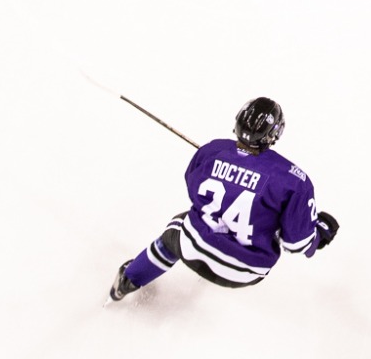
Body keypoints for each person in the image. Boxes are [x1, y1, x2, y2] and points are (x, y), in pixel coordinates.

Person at [109, 97, 338, 300]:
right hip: (247, 270)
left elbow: (194, 190)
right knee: (266, 223)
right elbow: (297, 243)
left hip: (193, 250)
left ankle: (127, 281)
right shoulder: (293, 180)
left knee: (178, 227)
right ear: (275, 133)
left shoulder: (213, 150)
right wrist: (319, 234)